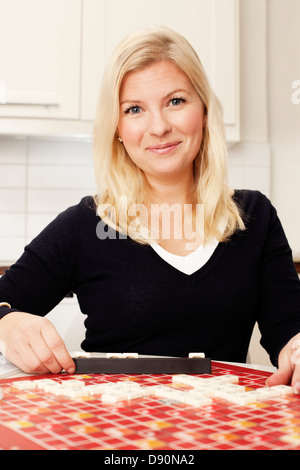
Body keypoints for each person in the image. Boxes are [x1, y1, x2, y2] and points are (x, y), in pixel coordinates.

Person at [0, 26, 300, 392]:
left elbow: (289, 328)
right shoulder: (86, 224)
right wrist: (7, 322)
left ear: (203, 111)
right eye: (135, 109)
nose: (159, 127)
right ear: (117, 128)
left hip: (219, 429)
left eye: (176, 101)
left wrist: (297, 349)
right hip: (109, 432)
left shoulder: (255, 216)